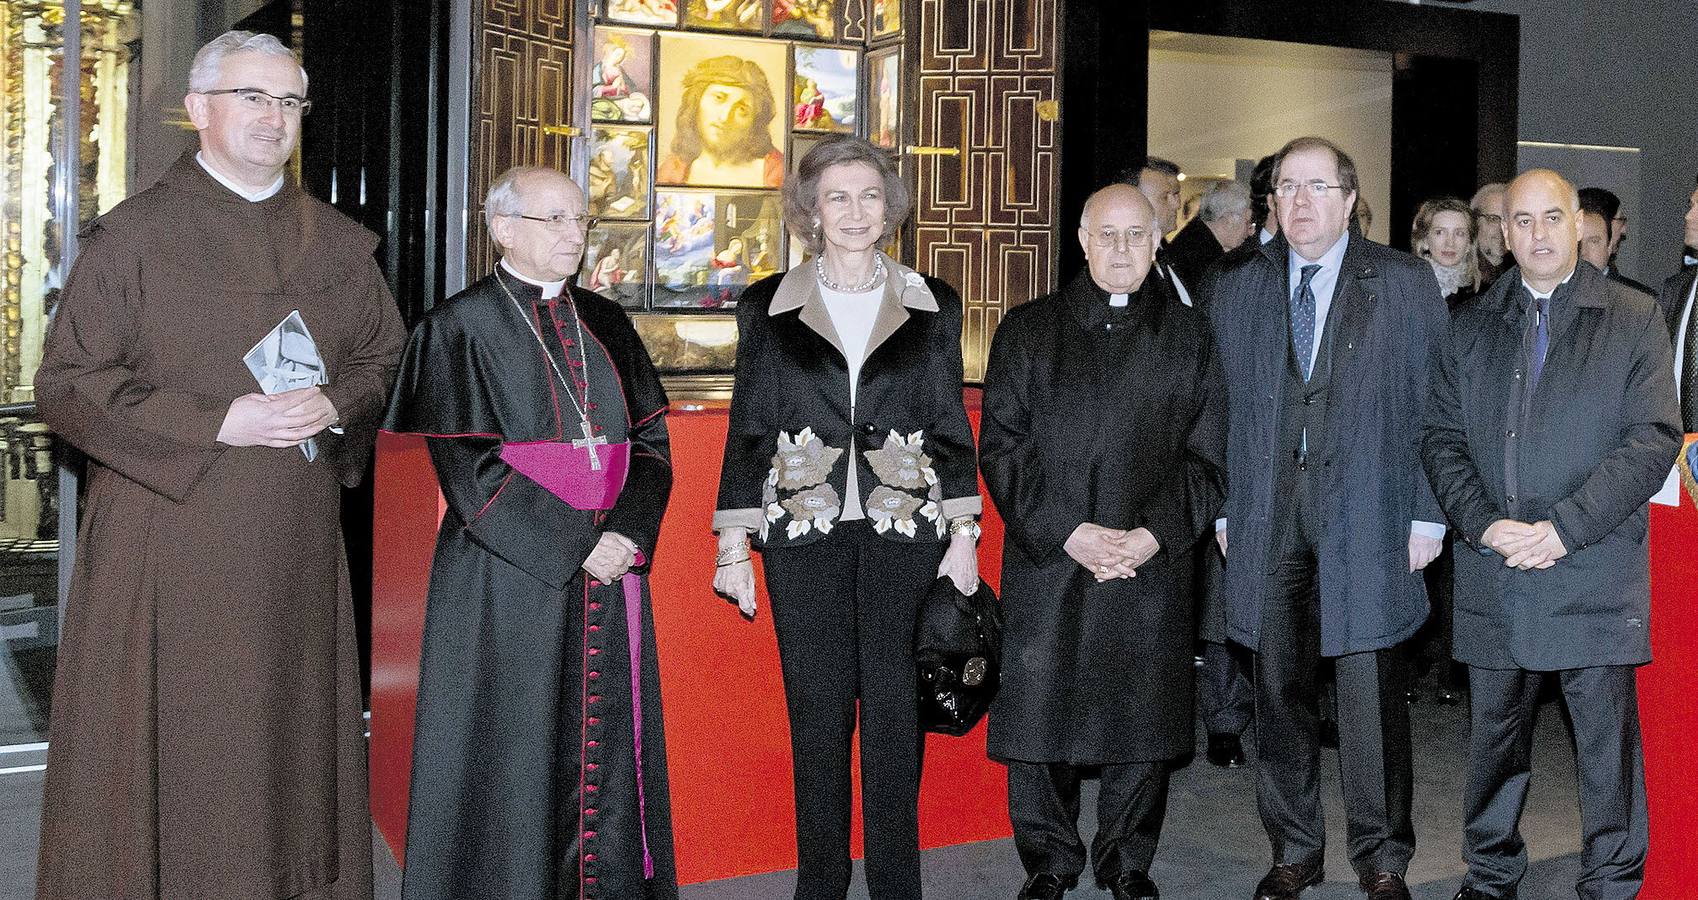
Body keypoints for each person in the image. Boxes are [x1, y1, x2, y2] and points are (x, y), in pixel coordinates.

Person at [31, 30, 404, 899]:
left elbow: (382, 359)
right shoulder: (134, 236)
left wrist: (337, 403)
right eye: (252, 97)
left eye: (288, 102)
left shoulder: (341, 245)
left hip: (296, 541)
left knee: (287, 738)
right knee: (195, 741)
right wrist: (217, 420)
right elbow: (68, 383)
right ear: (199, 110)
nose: (273, 118)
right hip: (174, 535)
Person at [384, 166, 678, 899]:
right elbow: (470, 472)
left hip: (612, 568)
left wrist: (627, 536)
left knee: (606, 749)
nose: (575, 235)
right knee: (509, 748)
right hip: (504, 572)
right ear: (504, 228)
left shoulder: (607, 321)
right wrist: (581, 544)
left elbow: (650, 446)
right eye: (556, 220)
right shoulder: (456, 327)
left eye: (580, 220)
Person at [712, 135, 981, 900]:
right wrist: (734, 543)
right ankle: (820, 884)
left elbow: (948, 424)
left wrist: (964, 533)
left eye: (869, 195)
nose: (855, 211)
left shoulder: (933, 301)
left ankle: (899, 886)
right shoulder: (766, 303)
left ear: (889, 206)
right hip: (804, 531)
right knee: (819, 716)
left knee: (897, 720)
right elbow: (750, 426)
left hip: (906, 530)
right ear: (810, 209)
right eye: (837, 196)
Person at [1422, 169, 1680, 900]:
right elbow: (1440, 437)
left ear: (1580, 225)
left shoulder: (1633, 316)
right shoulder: (1469, 325)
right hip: (1495, 566)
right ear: (1504, 234)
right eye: (1522, 221)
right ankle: (1493, 871)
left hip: (1590, 566)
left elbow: (1651, 439)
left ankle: (1611, 883)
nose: (1537, 234)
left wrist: (1562, 530)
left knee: (1606, 755)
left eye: (1552, 218)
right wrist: (1483, 523)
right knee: (1493, 746)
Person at [1205, 136, 1448, 900]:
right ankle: (1295, 848)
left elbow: (1436, 408)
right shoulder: (1235, 283)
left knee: (1371, 693)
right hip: (1265, 516)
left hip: (1373, 514)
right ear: (1270, 202)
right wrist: (1220, 507)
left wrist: (1429, 516)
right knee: (1276, 691)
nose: (1301, 201)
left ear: (1349, 200)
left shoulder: (1406, 282)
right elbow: (1214, 412)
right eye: (1287, 187)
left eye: (1317, 186)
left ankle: (1382, 857)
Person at [980, 183, 1226, 900]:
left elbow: (1209, 456)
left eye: (1136, 236)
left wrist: (1152, 536)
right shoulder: (1027, 330)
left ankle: (1127, 860)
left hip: (1149, 559)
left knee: (1141, 717)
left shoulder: (1192, 336)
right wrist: (1069, 532)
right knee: (1039, 711)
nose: (1121, 250)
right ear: (1082, 243)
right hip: (1051, 556)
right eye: (1106, 235)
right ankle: (1051, 861)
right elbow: (1002, 447)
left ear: (1157, 244)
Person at [658, 55, 784, 188]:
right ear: (696, 101)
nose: (724, 117)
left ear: (754, 122)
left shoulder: (777, 171)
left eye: (741, 109)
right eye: (719, 98)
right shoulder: (672, 169)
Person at [1119, 157, 1194, 306]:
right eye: (1165, 197)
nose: (1177, 204)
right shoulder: (1123, 262)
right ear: (1137, 200)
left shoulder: (1166, 254)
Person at [1658, 176, 1698, 431]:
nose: (1688, 216)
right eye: (1690, 205)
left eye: (1697, 208)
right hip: (1674, 452)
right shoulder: (1674, 290)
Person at [1168, 179, 1255, 288]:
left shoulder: (1194, 240)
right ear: (1229, 219)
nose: (1249, 231)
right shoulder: (1202, 258)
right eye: (1247, 222)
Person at [1578, 187, 1655, 296]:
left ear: (1609, 246)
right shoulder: (1551, 293)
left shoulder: (1641, 301)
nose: (1624, 230)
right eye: (1619, 220)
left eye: (1594, 241)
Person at [1412, 196, 1482, 306]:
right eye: (1440, 232)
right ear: (1425, 241)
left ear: (1469, 244)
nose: (1450, 243)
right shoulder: (1405, 287)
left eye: (1459, 233)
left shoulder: (1481, 296)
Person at [1472, 182, 1512, 286]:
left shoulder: (1524, 270)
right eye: (1493, 219)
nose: (1501, 227)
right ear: (1474, 222)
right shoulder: (1460, 275)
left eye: (1507, 219)